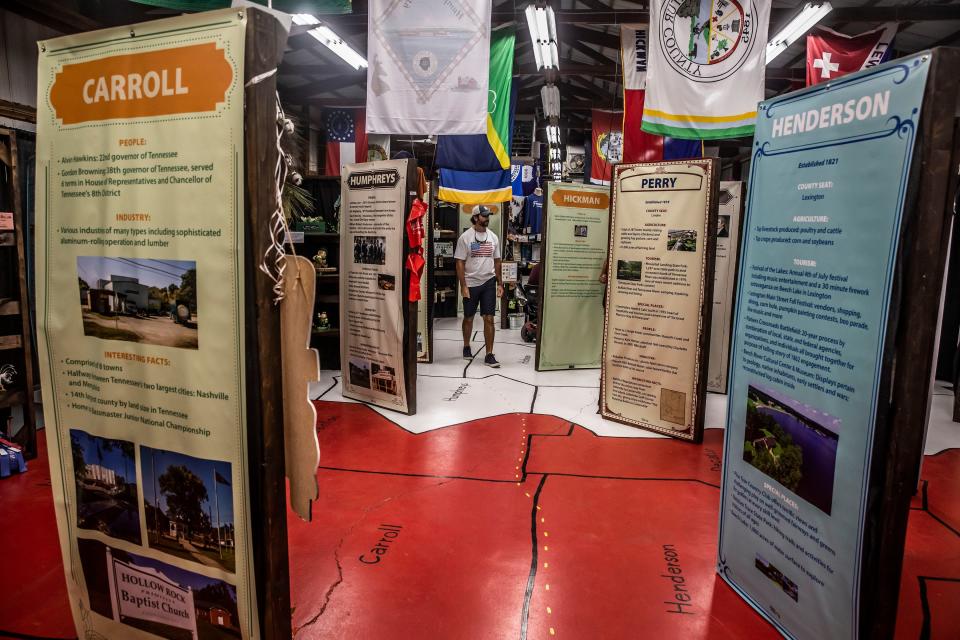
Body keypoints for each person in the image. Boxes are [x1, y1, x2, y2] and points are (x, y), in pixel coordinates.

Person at [455, 205, 503, 367]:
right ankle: (466, 345)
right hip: (471, 282)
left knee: (489, 318)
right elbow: (460, 263)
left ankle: (489, 354)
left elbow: (497, 261)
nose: (487, 218)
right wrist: (463, 286)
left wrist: (500, 283)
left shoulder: (493, 237)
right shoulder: (465, 238)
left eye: (488, 215)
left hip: (489, 281)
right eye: (484, 216)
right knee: (468, 317)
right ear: (475, 218)